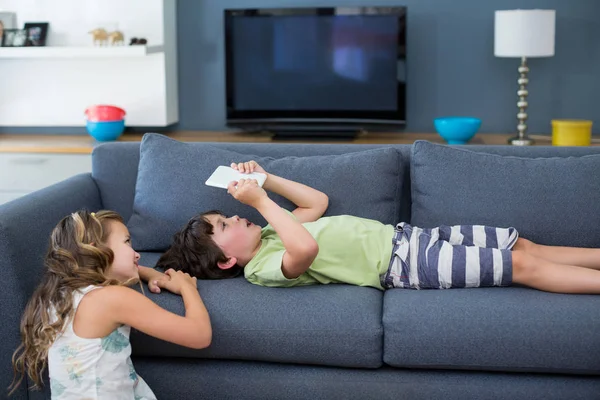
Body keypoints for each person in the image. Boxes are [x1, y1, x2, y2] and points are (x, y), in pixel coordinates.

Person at [157, 161, 600, 295]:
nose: (234, 215)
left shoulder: (273, 232)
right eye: (224, 223)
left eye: (229, 212)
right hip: (407, 264)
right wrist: (262, 202)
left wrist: (265, 180)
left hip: (410, 236)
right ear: (228, 258)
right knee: (520, 265)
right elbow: (305, 252)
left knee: (520, 243)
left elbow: (317, 203)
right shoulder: (265, 263)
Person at [9, 210, 211, 399]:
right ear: (97, 250)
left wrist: (147, 272)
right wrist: (188, 288)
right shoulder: (113, 298)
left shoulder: (59, 296)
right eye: (127, 242)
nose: (137, 253)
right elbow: (199, 335)